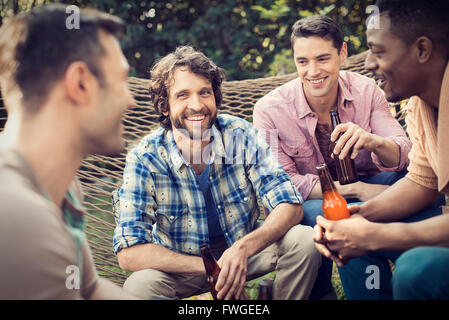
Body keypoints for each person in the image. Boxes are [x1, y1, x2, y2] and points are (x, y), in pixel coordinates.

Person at [113, 46, 321, 300]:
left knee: (303, 240)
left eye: (204, 92)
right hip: (182, 266)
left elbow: (289, 205)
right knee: (139, 287)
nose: (197, 105)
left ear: (215, 97)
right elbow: (129, 251)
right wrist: (214, 268)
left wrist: (242, 250)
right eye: (182, 96)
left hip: (244, 251)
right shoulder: (145, 158)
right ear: (164, 105)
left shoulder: (240, 135)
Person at [253, 14, 412, 299]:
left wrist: (372, 141)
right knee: (340, 219)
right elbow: (282, 185)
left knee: (416, 184)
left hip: (374, 188)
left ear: (342, 53)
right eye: (302, 61)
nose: (312, 71)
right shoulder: (268, 110)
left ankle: (411, 260)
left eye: (322, 59)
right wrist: (355, 189)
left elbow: (402, 151)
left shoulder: (367, 90)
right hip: (316, 202)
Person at [0, 4, 138, 299]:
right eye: (123, 81)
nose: (131, 101)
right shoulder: (18, 217)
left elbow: (90, 289)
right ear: (80, 84)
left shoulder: (63, 188)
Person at [314, 0, 449, 300]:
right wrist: (358, 215)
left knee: (417, 269)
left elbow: (398, 155)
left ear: (422, 50)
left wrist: (376, 235)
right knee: (353, 232)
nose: (368, 64)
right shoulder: (421, 105)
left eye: (377, 51)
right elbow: (421, 182)